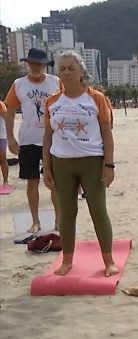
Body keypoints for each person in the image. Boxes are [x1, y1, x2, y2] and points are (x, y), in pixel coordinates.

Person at [41, 51, 118, 276]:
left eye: (71, 68)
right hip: (61, 163)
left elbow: (107, 134)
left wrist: (109, 165)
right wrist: (47, 167)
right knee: (67, 213)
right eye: (62, 69)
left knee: (98, 211)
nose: (66, 72)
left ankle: (109, 261)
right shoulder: (52, 102)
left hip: (92, 162)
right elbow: (47, 137)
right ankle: (67, 261)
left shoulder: (96, 98)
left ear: (81, 71)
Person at [4, 48, 61, 233]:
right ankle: (35, 221)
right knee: (32, 182)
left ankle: (58, 220)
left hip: (52, 140)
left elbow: (65, 106)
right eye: (33, 63)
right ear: (28, 63)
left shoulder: (55, 82)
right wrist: (10, 137)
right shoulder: (19, 84)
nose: (36, 67)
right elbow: (10, 111)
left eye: (39, 64)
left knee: (54, 183)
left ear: (44, 65)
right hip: (28, 140)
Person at [0, 100, 8, 185]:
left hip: (1, 136)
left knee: (3, 159)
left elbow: (6, 117)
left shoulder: (0, 104)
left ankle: (5, 181)